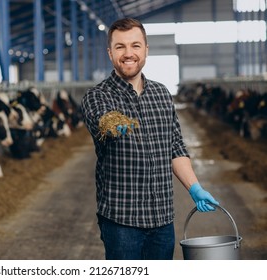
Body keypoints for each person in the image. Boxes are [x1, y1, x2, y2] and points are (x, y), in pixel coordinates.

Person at [80, 18, 219, 260]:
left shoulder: (161, 94)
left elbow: (175, 146)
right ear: (110, 53)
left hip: (163, 220)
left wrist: (195, 188)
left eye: (135, 45)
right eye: (120, 46)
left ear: (146, 50)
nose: (128, 53)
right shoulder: (97, 96)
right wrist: (111, 123)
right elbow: (100, 118)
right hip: (122, 222)